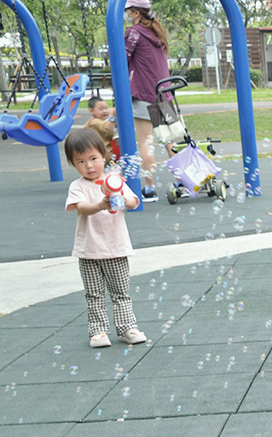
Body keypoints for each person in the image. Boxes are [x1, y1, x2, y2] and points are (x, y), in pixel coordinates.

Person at [64, 129, 147, 348]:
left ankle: (127, 328)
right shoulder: (77, 187)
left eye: (93, 159)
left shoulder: (114, 181)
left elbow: (132, 201)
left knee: (121, 293)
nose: (89, 166)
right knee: (94, 294)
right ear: (73, 164)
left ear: (104, 156)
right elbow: (82, 208)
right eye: (80, 161)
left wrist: (120, 197)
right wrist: (101, 204)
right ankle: (98, 332)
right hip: (88, 251)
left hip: (116, 248)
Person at [124, 0, 170, 203]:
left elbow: (120, 57)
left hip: (144, 93)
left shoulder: (134, 32)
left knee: (146, 142)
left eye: (126, 12)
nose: (124, 15)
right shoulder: (156, 31)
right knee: (170, 140)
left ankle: (149, 189)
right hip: (165, 93)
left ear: (134, 13)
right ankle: (187, 181)